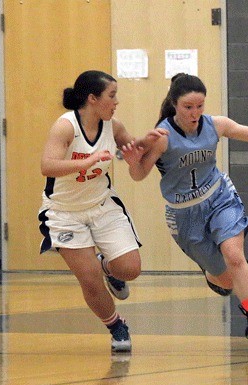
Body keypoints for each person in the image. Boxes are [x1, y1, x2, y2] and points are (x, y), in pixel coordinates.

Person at [122, 73, 248, 349]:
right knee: (226, 280)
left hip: (219, 197)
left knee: (234, 255)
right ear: (174, 105)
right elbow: (138, 175)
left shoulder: (215, 125)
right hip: (184, 214)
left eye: (200, 106)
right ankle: (211, 274)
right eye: (188, 107)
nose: (195, 113)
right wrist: (133, 163)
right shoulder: (162, 137)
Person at [38, 70, 167, 352]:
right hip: (64, 212)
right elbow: (48, 166)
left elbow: (132, 150)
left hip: (101, 205)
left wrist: (146, 141)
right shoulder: (65, 127)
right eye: (112, 95)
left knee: (130, 269)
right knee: (89, 278)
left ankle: (108, 268)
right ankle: (115, 325)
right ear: (92, 99)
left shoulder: (113, 126)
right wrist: (86, 162)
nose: (116, 101)